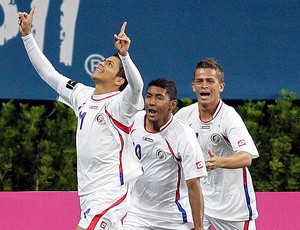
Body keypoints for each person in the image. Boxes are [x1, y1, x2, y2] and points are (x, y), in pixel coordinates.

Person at [19, 5, 144, 230]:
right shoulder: (81, 94)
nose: (102, 63)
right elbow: (48, 73)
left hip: (110, 192)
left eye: (109, 64)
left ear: (118, 81)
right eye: (104, 61)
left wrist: (124, 56)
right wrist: (27, 36)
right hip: (87, 191)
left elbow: (137, 87)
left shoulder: (121, 104)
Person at [175, 58, 259, 230]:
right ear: (193, 87)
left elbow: (246, 157)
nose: (204, 85)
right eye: (199, 81)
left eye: (210, 81)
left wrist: (220, 162)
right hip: (199, 202)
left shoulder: (229, 117)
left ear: (221, 86)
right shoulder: (184, 116)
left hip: (232, 207)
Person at [123, 78, 207, 230]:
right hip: (137, 214)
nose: (151, 102)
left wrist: (199, 227)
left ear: (172, 105)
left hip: (173, 219)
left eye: (159, 97)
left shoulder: (183, 136)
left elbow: (194, 185)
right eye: (148, 96)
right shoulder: (133, 121)